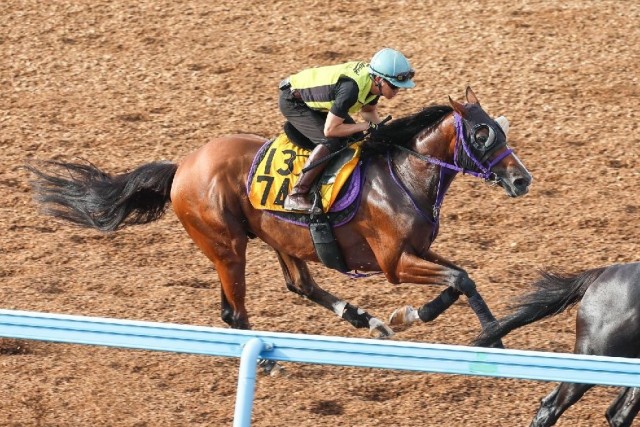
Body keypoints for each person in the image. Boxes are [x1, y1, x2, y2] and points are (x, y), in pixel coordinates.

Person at [278, 47, 416, 213]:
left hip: (317, 103)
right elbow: (330, 130)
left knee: (357, 137)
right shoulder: (351, 89)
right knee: (330, 142)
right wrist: (366, 126)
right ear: (379, 79)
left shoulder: (373, 85)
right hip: (294, 102)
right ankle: (296, 195)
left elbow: (368, 112)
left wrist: (385, 133)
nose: (397, 91)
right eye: (394, 86)